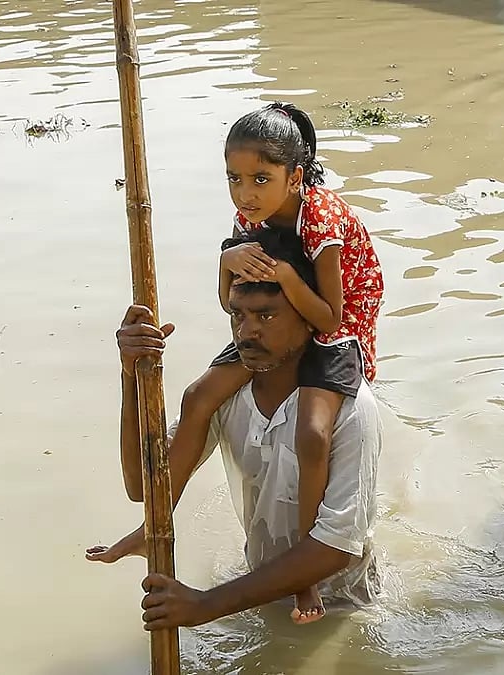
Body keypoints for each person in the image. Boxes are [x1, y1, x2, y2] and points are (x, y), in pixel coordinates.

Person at [86, 227, 381, 630]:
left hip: (341, 608)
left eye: (267, 316)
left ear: (308, 319)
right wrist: (131, 378)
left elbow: (333, 549)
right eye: (238, 315)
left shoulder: (350, 409)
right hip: (256, 587)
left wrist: (205, 606)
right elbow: (145, 488)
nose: (246, 332)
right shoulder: (223, 397)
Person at [177, 102, 384, 623]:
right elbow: (231, 301)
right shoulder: (249, 217)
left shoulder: (323, 217)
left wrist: (290, 281)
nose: (245, 194)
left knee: (312, 435)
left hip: (336, 331)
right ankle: (154, 523)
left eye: (260, 179)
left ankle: (305, 576)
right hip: (275, 322)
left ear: (295, 177)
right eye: (234, 179)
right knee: (198, 397)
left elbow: (330, 315)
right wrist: (225, 260)